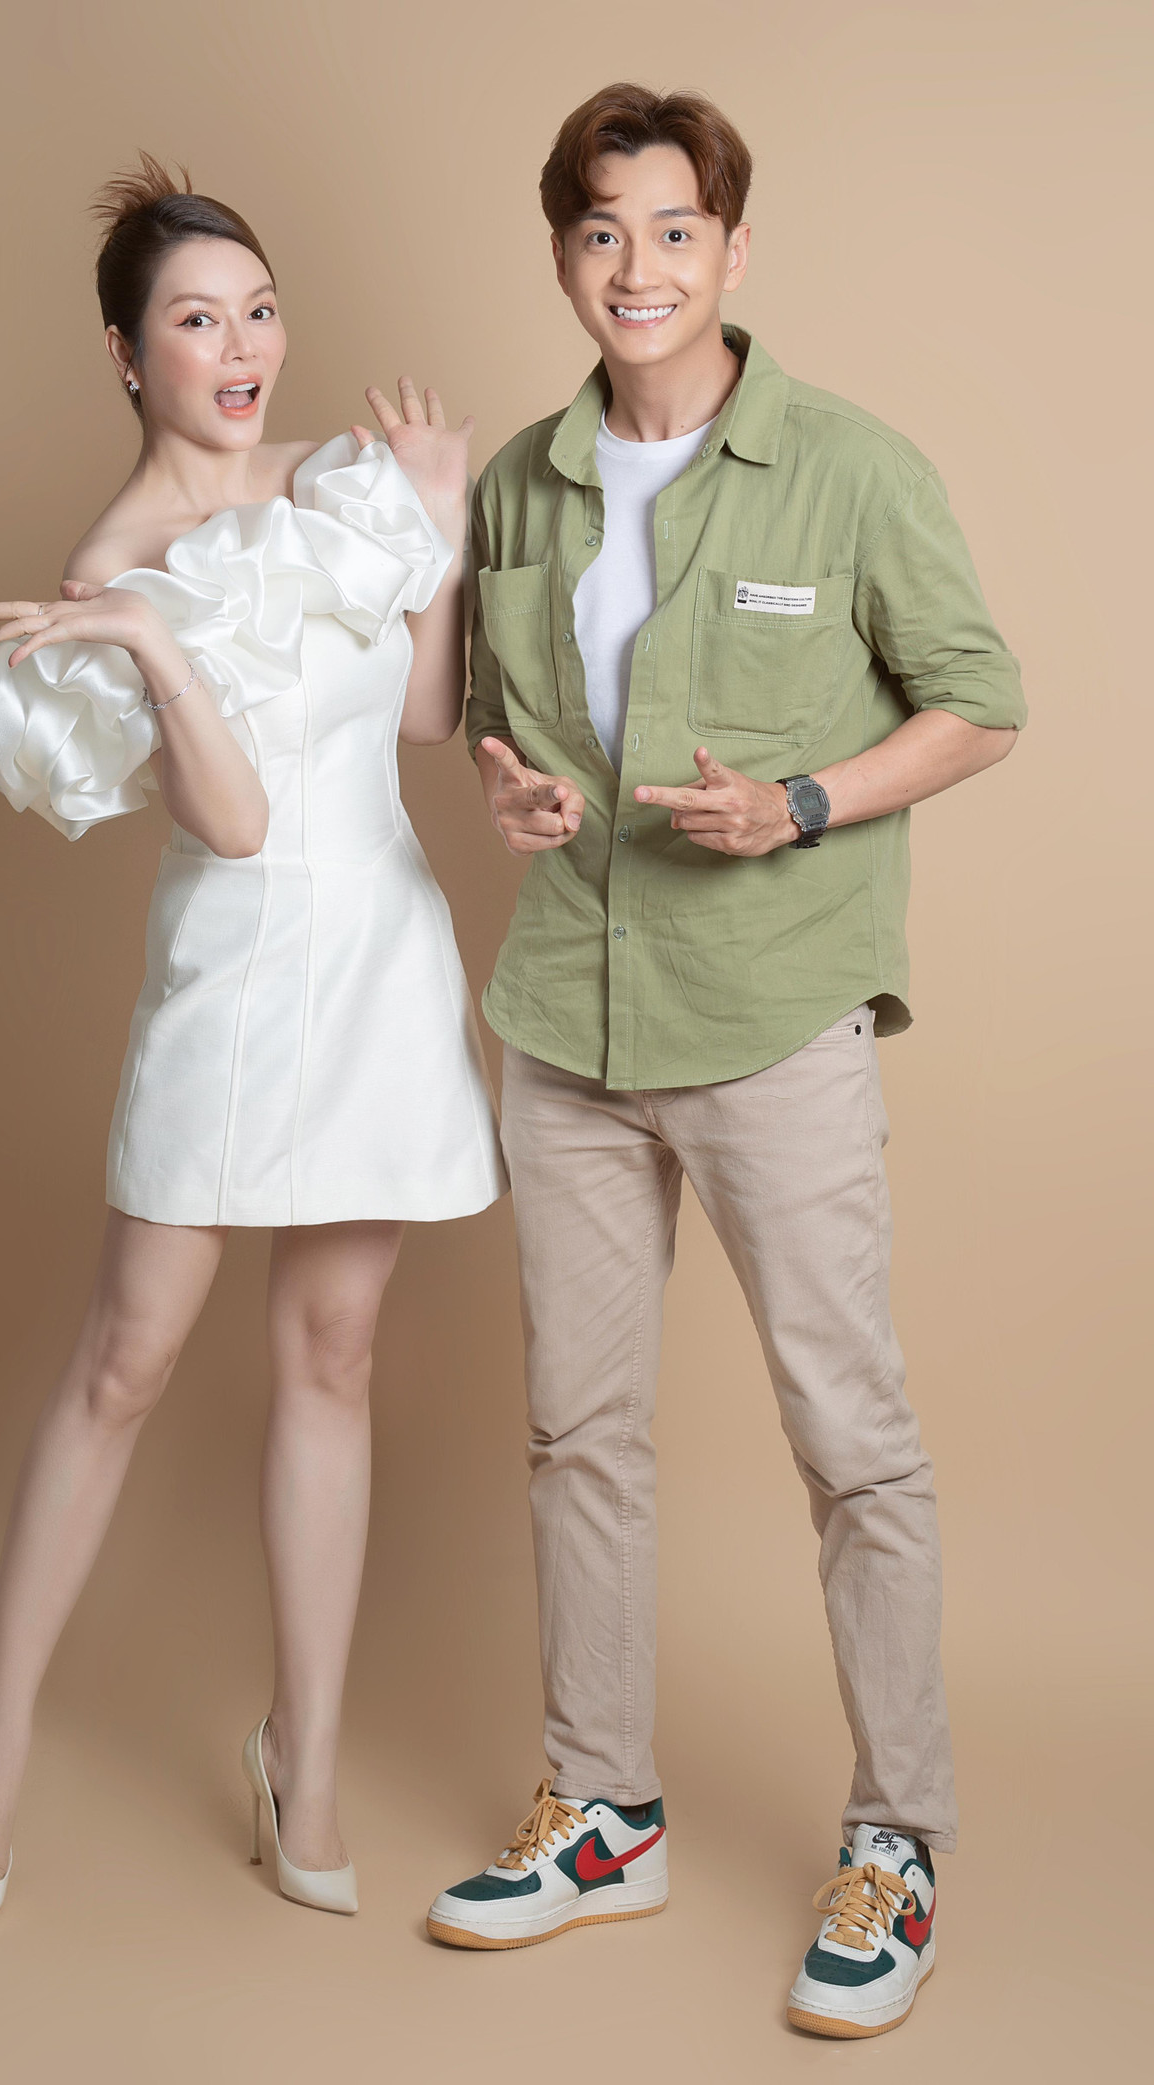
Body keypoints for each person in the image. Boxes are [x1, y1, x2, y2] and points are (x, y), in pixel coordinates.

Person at [425, 85, 1024, 2039]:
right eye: (601, 230)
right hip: (566, 1023)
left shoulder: (847, 469)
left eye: (673, 229)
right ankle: (602, 1808)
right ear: (562, 255)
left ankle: (896, 1836)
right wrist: (507, 785)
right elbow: (493, 729)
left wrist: (802, 797)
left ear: (731, 250)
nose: (638, 266)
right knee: (575, 1433)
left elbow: (977, 700)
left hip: (771, 1016)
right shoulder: (519, 485)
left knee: (850, 1437)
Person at [0, 154, 505, 1931]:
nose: (242, 347)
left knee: (334, 1352)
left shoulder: (342, 483)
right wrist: (152, 644)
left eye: (258, 310)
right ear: (128, 354)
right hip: (235, 973)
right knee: (126, 1358)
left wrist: (438, 528)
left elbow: (421, 716)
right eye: (197, 319)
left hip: (380, 955)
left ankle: (300, 1760)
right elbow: (236, 824)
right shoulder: (106, 571)